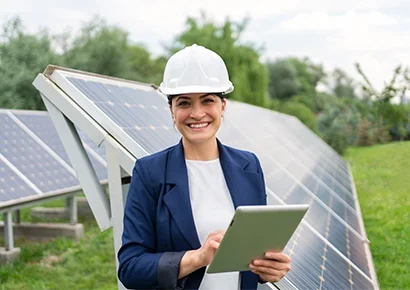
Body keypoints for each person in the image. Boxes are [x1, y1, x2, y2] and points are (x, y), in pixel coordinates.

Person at [117, 44, 291, 290]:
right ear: (171, 110)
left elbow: (254, 252)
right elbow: (130, 268)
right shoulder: (150, 172)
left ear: (222, 106)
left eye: (207, 100)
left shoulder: (248, 165)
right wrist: (197, 258)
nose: (197, 113)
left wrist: (268, 269)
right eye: (184, 103)